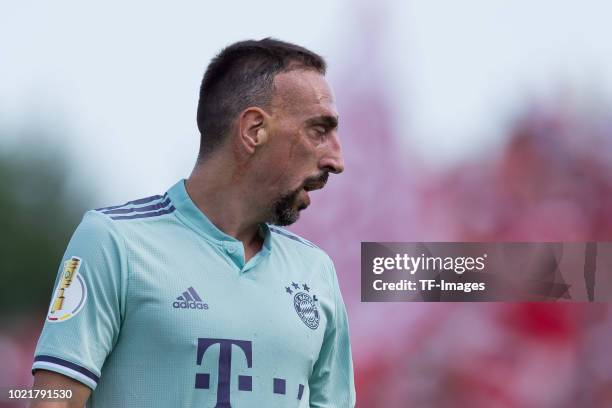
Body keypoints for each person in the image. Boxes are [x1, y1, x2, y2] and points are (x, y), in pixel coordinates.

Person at [30, 38, 355, 407]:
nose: (336, 159)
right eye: (318, 130)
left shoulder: (316, 272)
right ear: (253, 130)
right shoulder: (114, 241)